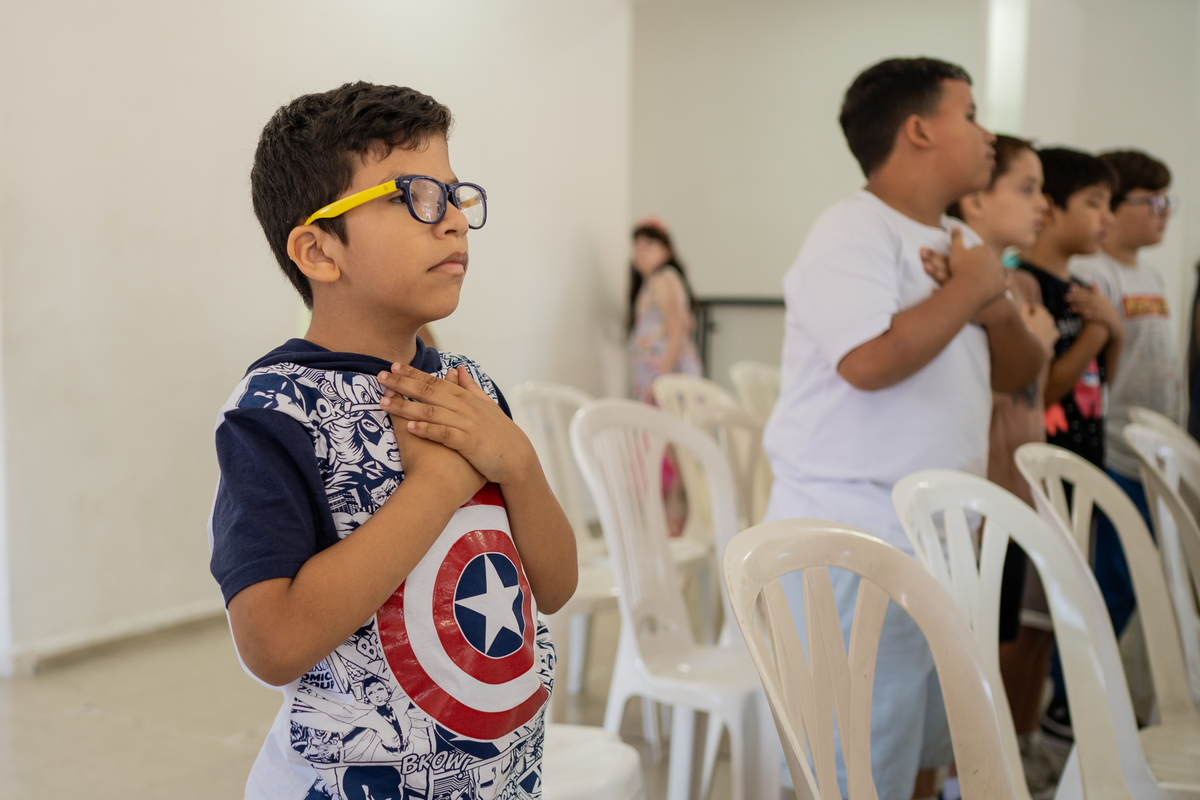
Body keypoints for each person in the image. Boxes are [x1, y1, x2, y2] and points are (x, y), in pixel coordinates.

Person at [208, 82, 577, 800]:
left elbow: (556, 586)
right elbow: (272, 645)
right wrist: (437, 487)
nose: (454, 222)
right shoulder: (275, 411)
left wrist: (519, 466)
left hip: (501, 781)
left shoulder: (468, 388)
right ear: (320, 251)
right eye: (415, 198)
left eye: (455, 196)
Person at [763, 57, 1044, 800]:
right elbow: (867, 360)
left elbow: (1017, 370)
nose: (988, 134)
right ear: (918, 130)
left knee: (922, 743)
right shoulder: (853, 228)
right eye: (971, 114)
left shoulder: (958, 239)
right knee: (855, 763)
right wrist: (975, 287)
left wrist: (988, 301)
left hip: (935, 536)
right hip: (853, 535)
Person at [947, 134, 1062, 797]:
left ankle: (986, 770)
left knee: (996, 638)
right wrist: (1032, 343)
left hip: (1016, 488)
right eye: (1026, 188)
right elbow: (963, 396)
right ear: (976, 200)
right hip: (977, 492)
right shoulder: (958, 281)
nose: (1042, 204)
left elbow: (1030, 395)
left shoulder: (1021, 284)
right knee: (965, 652)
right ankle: (959, 778)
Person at [1015, 146, 1122, 742]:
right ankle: (1007, 747)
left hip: (1081, 470)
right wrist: (1101, 330)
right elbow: (1047, 388)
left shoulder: (1081, 288)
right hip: (1043, 479)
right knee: (1027, 624)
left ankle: (1029, 740)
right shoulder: (1028, 286)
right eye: (1095, 203)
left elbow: (1099, 383)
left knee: (1052, 619)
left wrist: (1113, 331)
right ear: (1051, 209)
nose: (1106, 217)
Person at [627, 217, 702, 404]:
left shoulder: (664, 279)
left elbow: (678, 330)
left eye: (649, 245)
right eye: (637, 246)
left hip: (666, 372)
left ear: (666, 251)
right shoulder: (652, 282)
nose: (641, 251)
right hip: (656, 372)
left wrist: (661, 377)